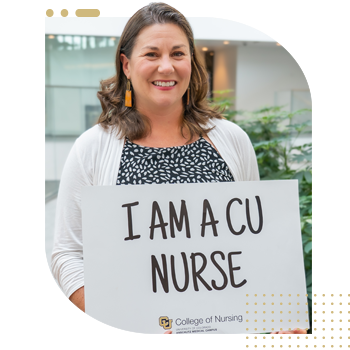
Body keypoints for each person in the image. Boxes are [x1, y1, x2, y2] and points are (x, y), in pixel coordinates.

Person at [51, 2, 307, 335]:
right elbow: (67, 254)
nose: (166, 67)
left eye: (178, 54)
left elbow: (255, 248)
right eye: (152, 54)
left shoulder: (232, 141)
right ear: (126, 65)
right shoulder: (92, 148)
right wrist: (116, 318)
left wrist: (276, 318)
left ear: (191, 62)